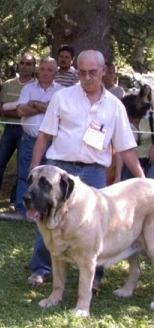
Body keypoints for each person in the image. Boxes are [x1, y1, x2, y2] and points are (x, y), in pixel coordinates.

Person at [27, 50, 144, 292]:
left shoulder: (115, 106)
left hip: (94, 173)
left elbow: (127, 148)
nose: (88, 77)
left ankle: (95, 278)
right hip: (60, 171)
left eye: (93, 72)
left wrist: (142, 181)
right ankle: (41, 269)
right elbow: (43, 136)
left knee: (98, 227)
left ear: (104, 71)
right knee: (46, 217)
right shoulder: (62, 98)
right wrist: (34, 169)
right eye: (82, 72)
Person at [0, 52, 35, 204]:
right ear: (18, 65)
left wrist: (19, 111)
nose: (25, 66)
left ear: (33, 67)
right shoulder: (9, 84)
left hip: (26, 130)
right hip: (9, 129)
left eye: (28, 64)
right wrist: (22, 111)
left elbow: (30, 112)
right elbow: (1, 109)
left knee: (21, 167)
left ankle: (15, 198)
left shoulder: (35, 86)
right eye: (22, 63)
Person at [13, 56, 63, 214]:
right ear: (38, 70)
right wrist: (46, 107)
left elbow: (58, 113)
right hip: (29, 140)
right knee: (26, 174)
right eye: (42, 69)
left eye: (49, 70)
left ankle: (44, 209)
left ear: (55, 73)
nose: (45, 73)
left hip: (51, 142)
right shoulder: (28, 88)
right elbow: (20, 110)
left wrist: (33, 103)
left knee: (48, 179)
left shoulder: (61, 91)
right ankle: (22, 209)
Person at [117, 94, 154, 180]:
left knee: (150, 185)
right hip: (131, 160)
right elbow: (120, 150)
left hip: (150, 159)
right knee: (126, 186)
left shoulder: (150, 118)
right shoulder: (122, 123)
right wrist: (117, 176)